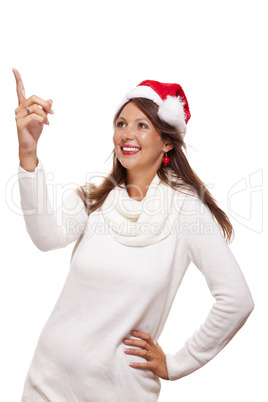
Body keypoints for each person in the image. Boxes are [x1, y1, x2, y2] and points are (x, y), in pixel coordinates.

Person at [13, 68, 254, 402]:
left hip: (119, 392)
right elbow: (45, 238)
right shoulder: (93, 198)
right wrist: (28, 154)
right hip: (47, 382)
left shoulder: (186, 211)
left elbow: (237, 300)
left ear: (167, 141)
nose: (127, 134)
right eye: (121, 123)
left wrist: (177, 363)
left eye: (143, 126)